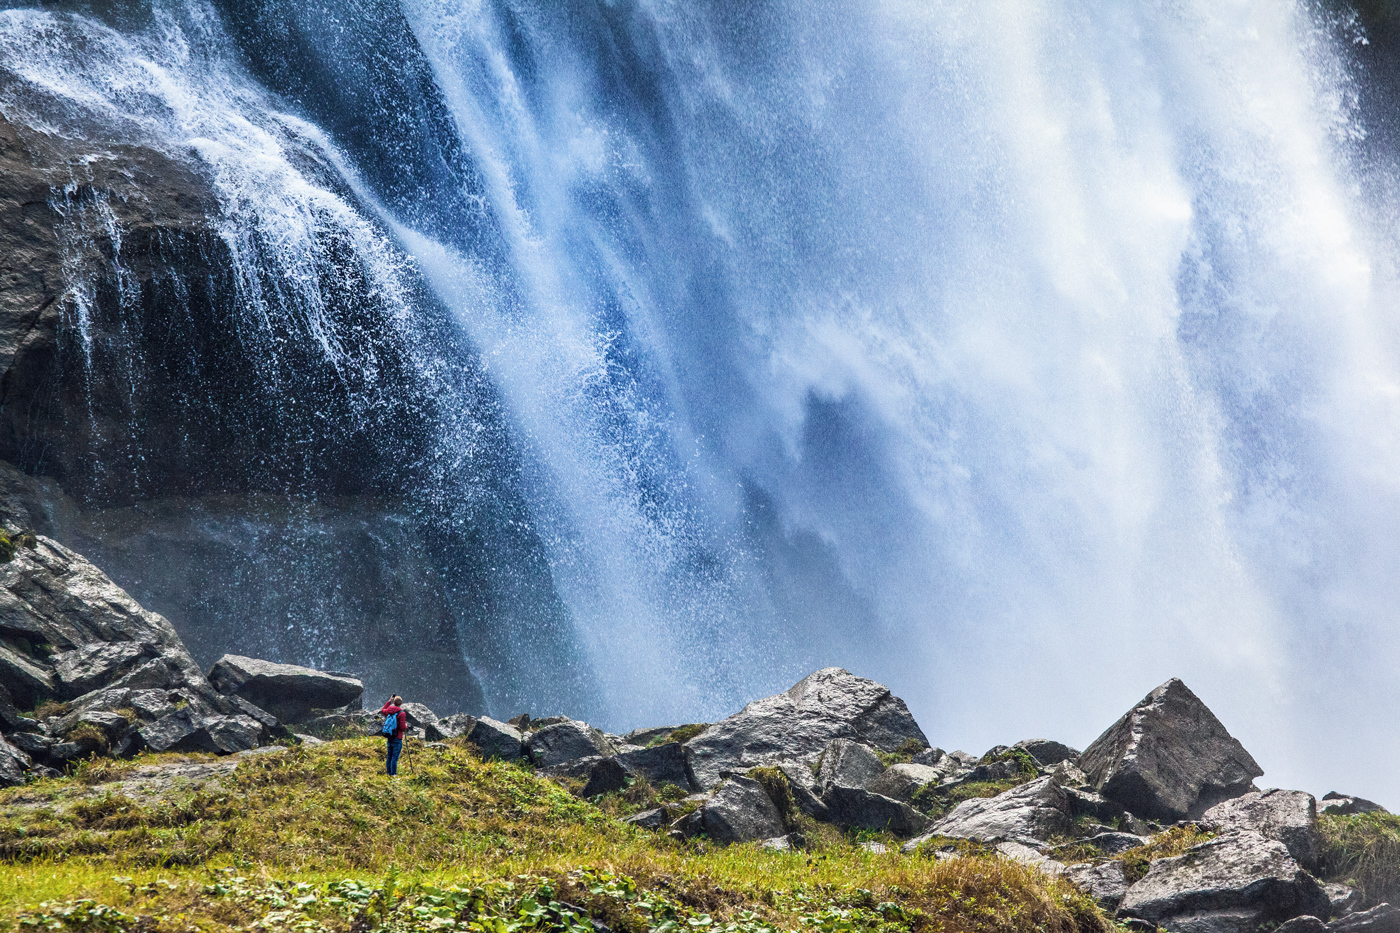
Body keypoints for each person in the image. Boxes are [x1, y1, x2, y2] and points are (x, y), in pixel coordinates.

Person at [379, 694, 408, 775]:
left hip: (390, 736)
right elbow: (402, 727)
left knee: (389, 756)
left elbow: (383, 709)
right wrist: (406, 727)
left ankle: (388, 773)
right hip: (397, 737)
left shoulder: (389, 710)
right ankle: (393, 774)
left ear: (394, 702)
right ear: (401, 703)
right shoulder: (402, 713)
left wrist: (389, 701)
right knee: (394, 757)